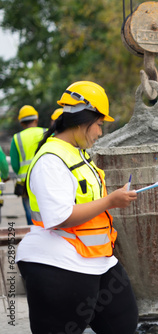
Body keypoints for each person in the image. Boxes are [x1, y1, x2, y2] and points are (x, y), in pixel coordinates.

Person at [15, 81, 139, 334]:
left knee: (123, 324)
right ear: (84, 120)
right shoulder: (51, 160)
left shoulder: (76, 152)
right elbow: (59, 217)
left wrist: (113, 200)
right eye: (100, 125)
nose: (100, 133)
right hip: (59, 264)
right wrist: (110, 201)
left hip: (97, 259)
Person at [10, 105, 46, 225]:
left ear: (21, 123)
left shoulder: (17, 138)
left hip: (25, 182)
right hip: (45, 178)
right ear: (36, 120)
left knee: (30, 212)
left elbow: (15, 164)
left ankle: (34, 233)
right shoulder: (46, 132)